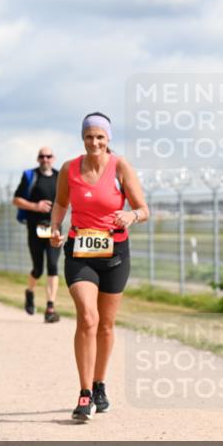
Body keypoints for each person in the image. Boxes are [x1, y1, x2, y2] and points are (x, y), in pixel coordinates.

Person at [50, 113, 149, 422]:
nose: (95, 142)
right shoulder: (69, 168)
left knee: (106, 325)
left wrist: (131, 216)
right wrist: (55, 227)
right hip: (80, 253)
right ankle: (84, 393)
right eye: (90, 136)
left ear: (108, 139)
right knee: (88, 318)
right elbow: (61, 203)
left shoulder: (121, 167)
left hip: (115, 253)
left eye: (100, 137)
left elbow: (144, 209)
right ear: (83, 138)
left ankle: (99, 383)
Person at [13, 146, 62, 323]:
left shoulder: (59, 177)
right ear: (37, 159)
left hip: (54, 227)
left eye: (48, 156)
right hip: (37, 228)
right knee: (38, 268)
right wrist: (36, 206)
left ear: (53, 158)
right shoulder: (30, 177)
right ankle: (30, 291)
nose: (45, 159)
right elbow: (16, 200)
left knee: (53, 264)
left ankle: (50, 307)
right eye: (42, 156)